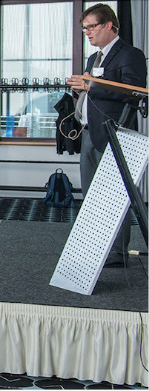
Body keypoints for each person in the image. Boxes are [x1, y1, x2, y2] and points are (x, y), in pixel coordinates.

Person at [66, 3, 147, 265]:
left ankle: (118, 252)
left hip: (115, 135)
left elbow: (134, 91)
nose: (87, 33)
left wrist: (91, 86)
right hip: (90, 133)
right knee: (91, 196)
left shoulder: (130, 55)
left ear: (109, 25)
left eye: (91, 27)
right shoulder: (94, 58)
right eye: (84, 28)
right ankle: (96, 247)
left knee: (115, 195)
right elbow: (94, 90)